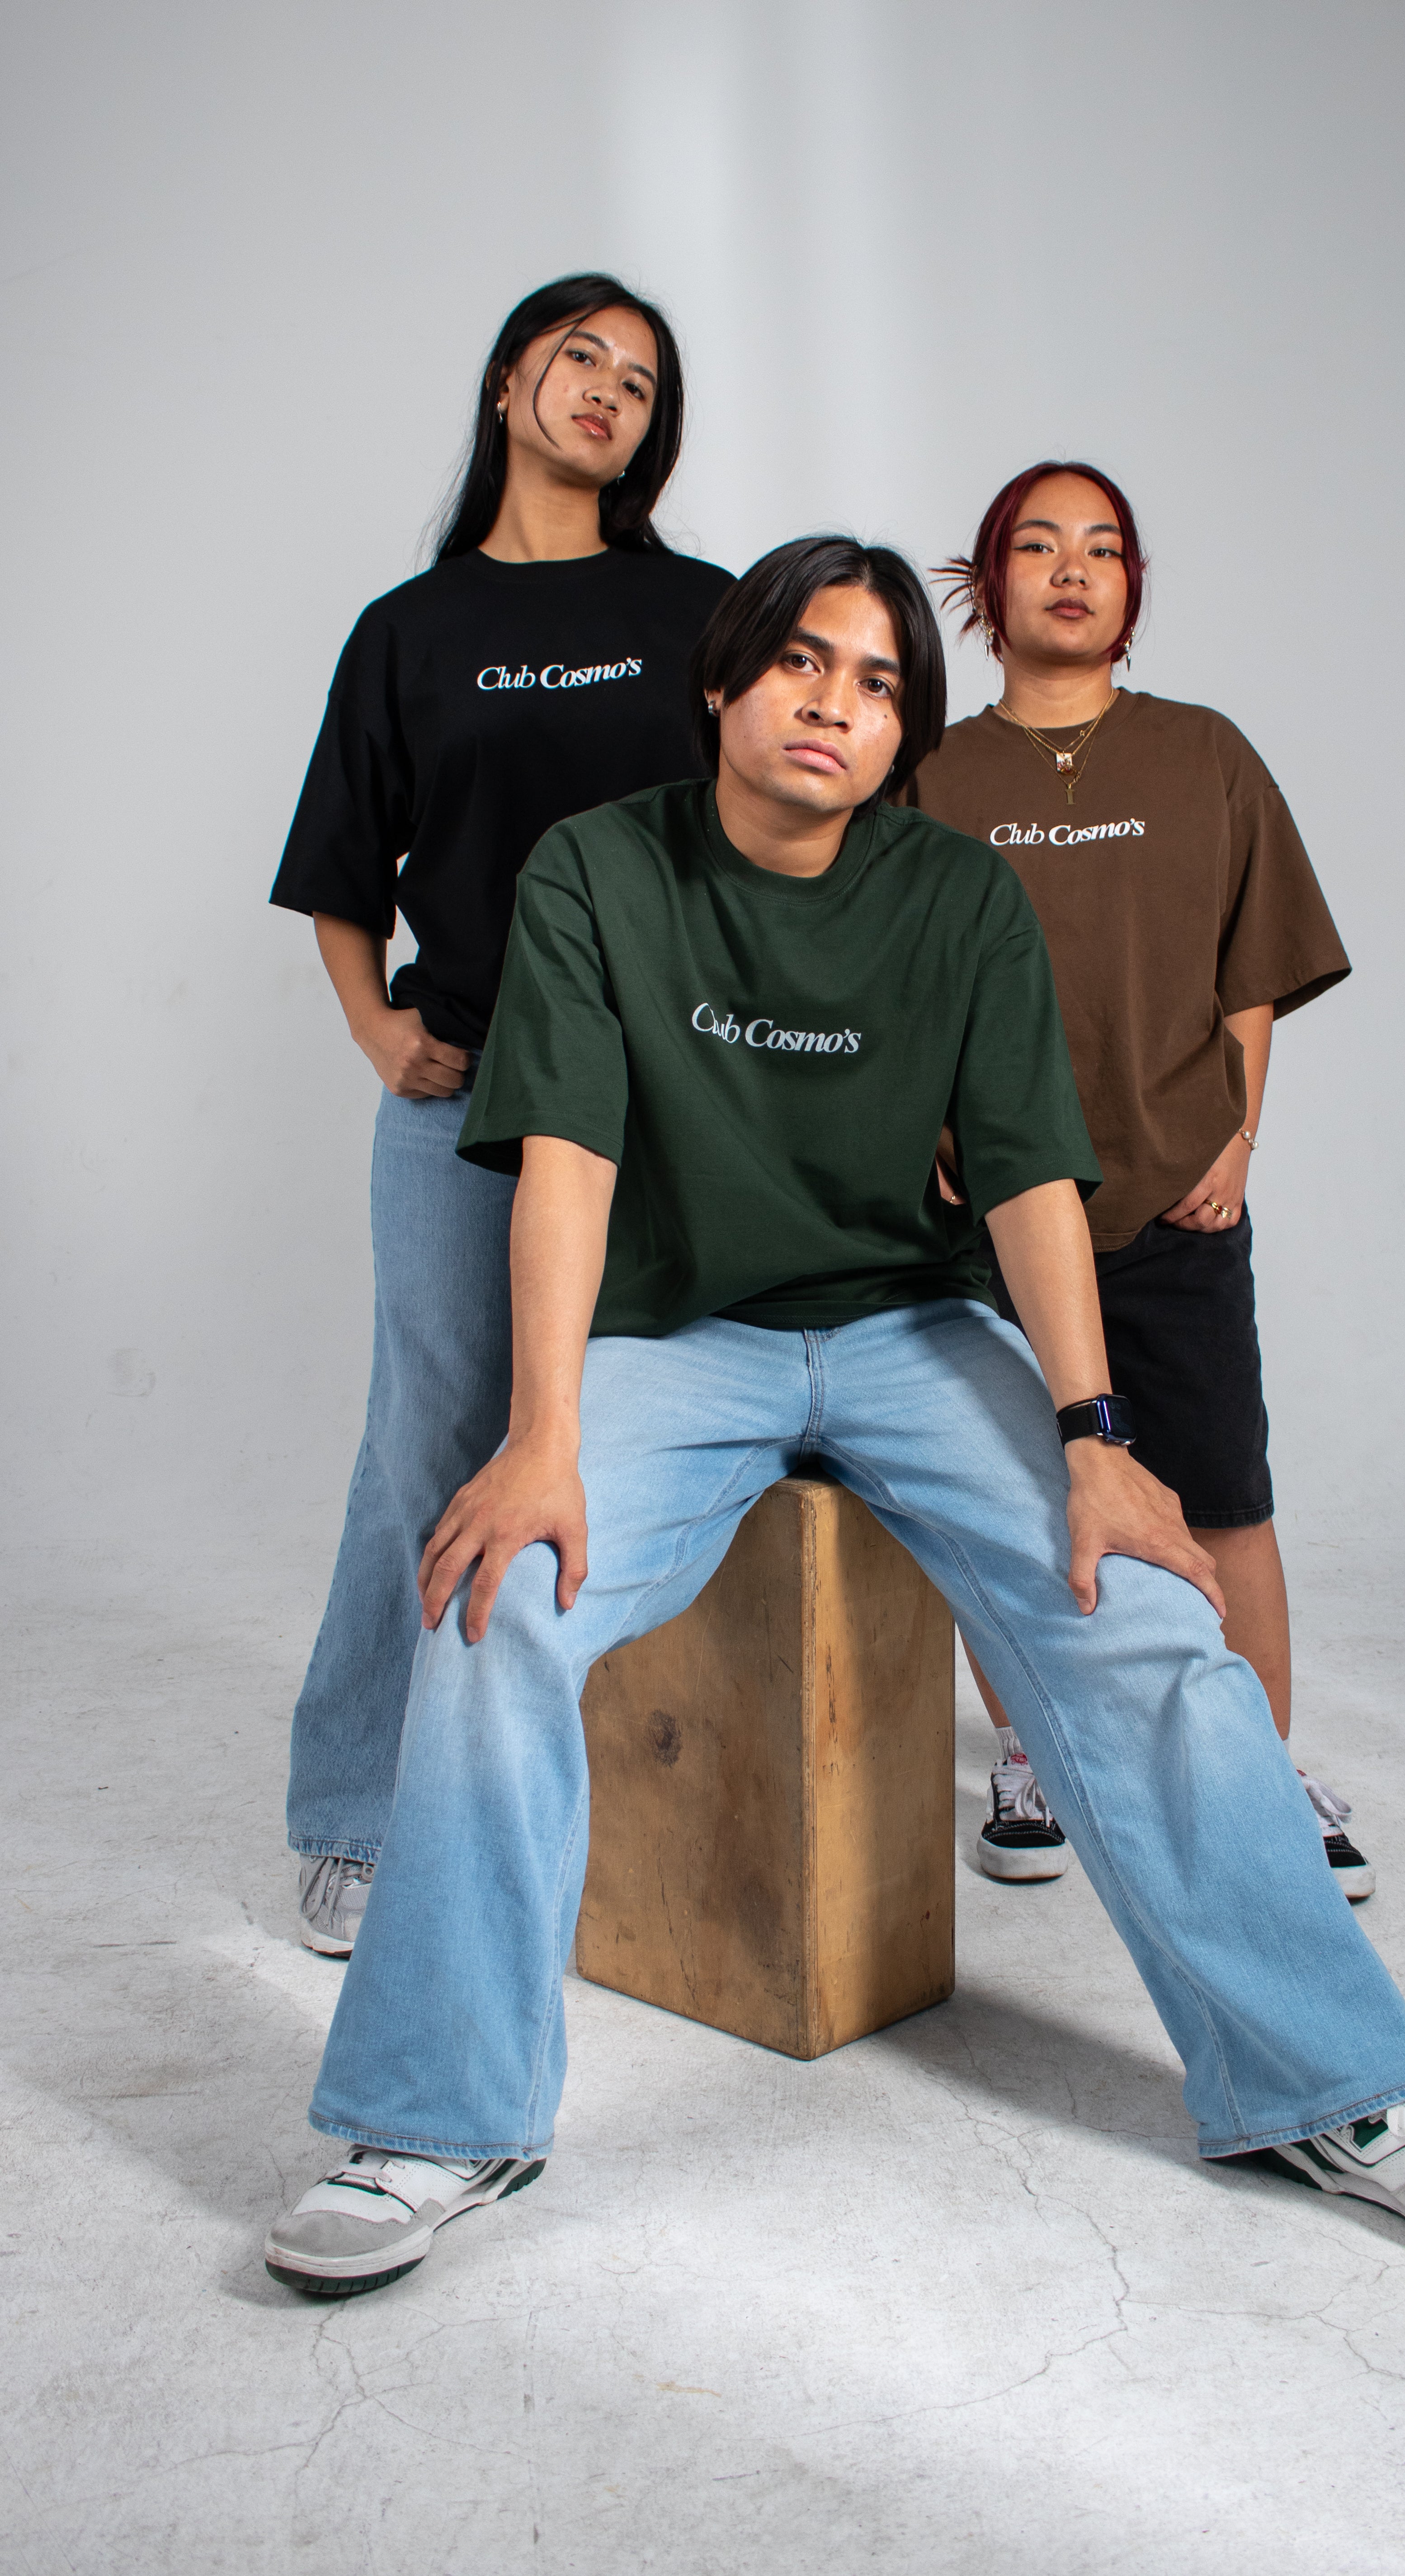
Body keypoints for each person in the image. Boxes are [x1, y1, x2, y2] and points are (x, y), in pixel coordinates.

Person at [261, 536, 1405, 2299]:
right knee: (492, 1604)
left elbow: (1031, 1177)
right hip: (678, 1334)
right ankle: (435, 2120)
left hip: (905, 1326)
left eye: (882, 683)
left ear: (905, 734)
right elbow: (565, 1157)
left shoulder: (956, 899)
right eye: (805, 661)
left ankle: (1335, 2091)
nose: (838, 703)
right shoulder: (598, 874)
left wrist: (1094, 1436)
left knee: (1148, 1620)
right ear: (723, 682)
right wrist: (544, 1432)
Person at [269, 274, 732, 1956]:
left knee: (671, 1434)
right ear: (509, 385)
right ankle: (355, 1813)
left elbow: (788, 828)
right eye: (580, 358)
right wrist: (373, 1023)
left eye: (640, 378)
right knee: (431, 1445)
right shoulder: (409, 629)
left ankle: (637, 1788)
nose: (609, 390)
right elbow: (340, 866)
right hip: (469, 1106)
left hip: (684, 1097)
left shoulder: (705, 609)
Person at [910, 462, 1372, 1897]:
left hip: (1174, 1196)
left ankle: (1261, 1770)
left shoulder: (1205, 753)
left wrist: (1236, 1138)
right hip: (990, 1215)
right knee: (1015, 1496)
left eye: (1102, 548)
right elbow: (890, 980)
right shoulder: (929, 774)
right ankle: (1037, 1755)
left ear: (1130, 591)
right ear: (988, 587)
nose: (1071, 568)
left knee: (1225, 1493)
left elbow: (1255, 968)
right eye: (1037, 545)